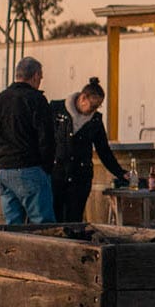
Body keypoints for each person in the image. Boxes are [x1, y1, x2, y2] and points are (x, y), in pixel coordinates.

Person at [0, 56, 56, 225]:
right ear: (36, 76)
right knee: (43, 226)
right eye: (41, 77)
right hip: (30, 168)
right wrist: (46, 167)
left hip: (5, 171)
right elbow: (47, 138)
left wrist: (1, 157)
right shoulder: (36, 100)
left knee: (13, 225)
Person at [49, 77, 130, 223]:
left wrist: (120, 172)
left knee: (75, 217)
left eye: (97, 107)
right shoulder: (56, 110)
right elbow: (44, 139)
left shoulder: (95, 120)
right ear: (82, 98)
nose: (94, 110)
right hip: (57, 173)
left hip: (80, 176)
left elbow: (103, 149)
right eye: (92, 106)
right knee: (56, 215)